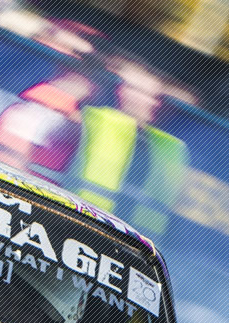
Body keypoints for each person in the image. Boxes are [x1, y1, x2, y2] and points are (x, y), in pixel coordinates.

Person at [66, 59, 189, 238]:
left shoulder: (170, 147)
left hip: (135, 245)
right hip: (77, 227)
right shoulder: (90, 120)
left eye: (157, 97)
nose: (154, 103)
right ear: (123, 92)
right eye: (146, 95)